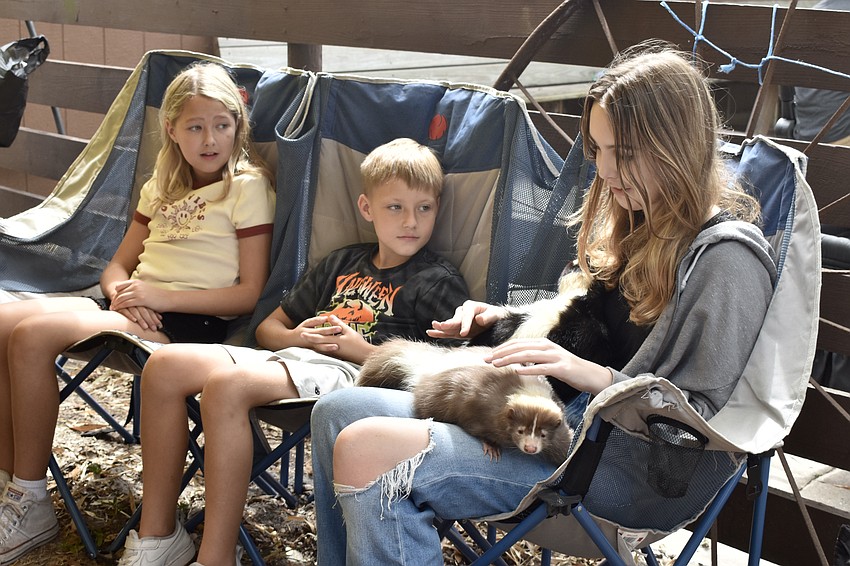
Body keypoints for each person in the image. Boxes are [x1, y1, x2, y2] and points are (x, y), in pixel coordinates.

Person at [309, 42, 778, 565]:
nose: (603, 170)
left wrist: (588, 376)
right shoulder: (643, 225)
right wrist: (500, 319)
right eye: (597, 150)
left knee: (366, 449)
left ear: (676, 146)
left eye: (621, 153)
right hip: (562, 422)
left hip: (623, 465)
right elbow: (586, 321)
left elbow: (699, 417)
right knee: (336, 412)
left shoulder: (727, 259)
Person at [116, 137, 470, 566]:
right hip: (297, 358)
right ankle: (158, 537)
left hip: (353, 378)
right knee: (165, 365)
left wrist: (362, 351)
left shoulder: (436, 280)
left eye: (424, 208)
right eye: (395, 207)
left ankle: (215, 557)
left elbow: (445, 373)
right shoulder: (341, 263)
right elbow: (268, 329)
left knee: (226, 386)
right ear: (366, 209)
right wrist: (298, 337)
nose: (411, 221)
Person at [0, 62, 275, 564]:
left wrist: (159, 299)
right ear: (172, 130)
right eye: (195, 126)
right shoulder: (161, 186)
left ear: (238, 124)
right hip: (136, 308)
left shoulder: (247, 188)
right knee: (3, 325)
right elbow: (119, 264)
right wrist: (123, 290)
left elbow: (247, 293)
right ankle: (13, 487)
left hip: (189, 319)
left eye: (222, 124)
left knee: (32, 336)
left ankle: (32, 501)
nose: (210, 138)